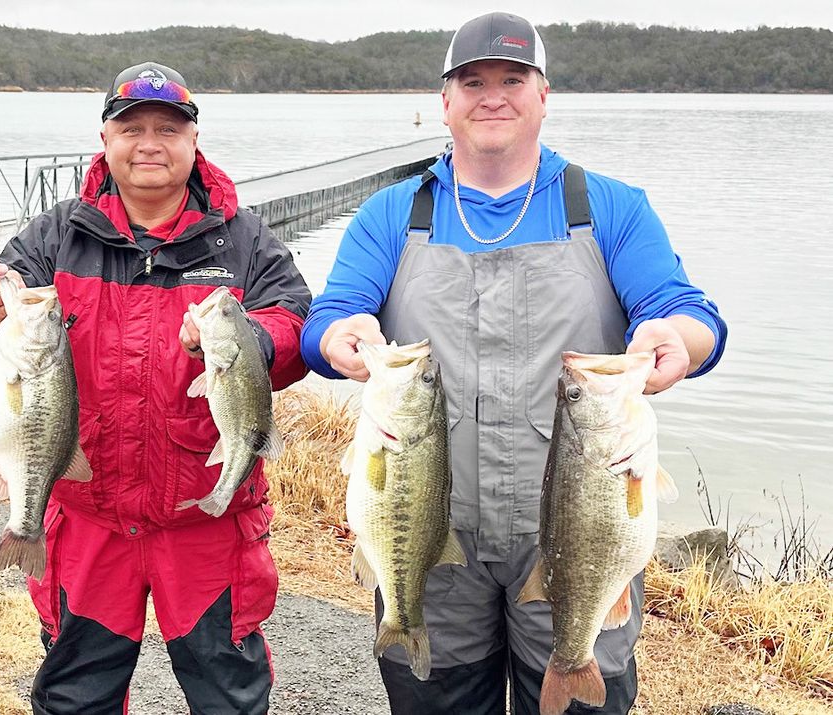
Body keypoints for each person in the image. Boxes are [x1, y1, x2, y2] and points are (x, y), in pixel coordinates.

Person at [299, 12, 727, 714]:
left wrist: (677, 335)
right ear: (446, 101)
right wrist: (338, 331)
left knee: (582, 695)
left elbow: (689, 312)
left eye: (511, 78)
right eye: (473, 81)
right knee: (434, 697)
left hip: (571, 525)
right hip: (433, 523)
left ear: (543, 94)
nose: (492, 95)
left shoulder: (610, 208)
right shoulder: (390, 215)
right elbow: (330, 317)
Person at [0, 61, 311, 714]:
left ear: (193, 141)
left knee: (230, 698)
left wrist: (248, 341)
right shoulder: (57, 233)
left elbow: (292, 318)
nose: (150, 142)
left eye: (168, 128)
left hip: (207, 519)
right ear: (106, 139)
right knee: (74, 697)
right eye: (132, 127)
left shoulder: (243, 238)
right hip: (87, 515)